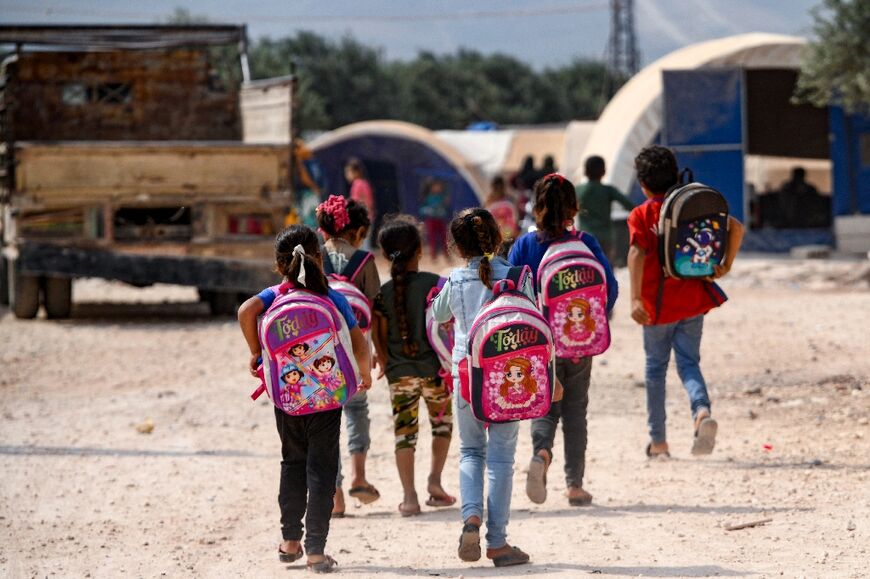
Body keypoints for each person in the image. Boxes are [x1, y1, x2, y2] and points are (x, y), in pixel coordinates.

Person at [237, 224, 372, 573]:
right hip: (327, 398)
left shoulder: (274, 295)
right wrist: (364, 373)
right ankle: (315, 550)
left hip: (288, 398)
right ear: (318, 258)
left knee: (292, 463)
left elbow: (245, 311)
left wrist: (256, 352)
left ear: (280, 265)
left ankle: (289, 542)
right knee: (322, 470)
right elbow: (359, 341)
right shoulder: (330, 296)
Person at [430, 208, 539, 568]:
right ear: (496, 238)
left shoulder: (455, 281)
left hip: (467, 377)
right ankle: (497, 542)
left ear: (457, 247)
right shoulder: (518, 276)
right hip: (510, 377)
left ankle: (471, 518)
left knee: (471, 452)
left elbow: (439, 316)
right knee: (502, 459)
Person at [627, 146, 744, 458]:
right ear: (676, 175)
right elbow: (736, 227)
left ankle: (659, 442)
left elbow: (637, 253)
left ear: (642, 183)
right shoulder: (694, 204)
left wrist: (635, 298)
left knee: (655, 371)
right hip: (693, 301)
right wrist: (726, 264)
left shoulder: (642, 214)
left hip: (656, 307)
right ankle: (702, 412)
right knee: (689, 363)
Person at [508, 173, 618, 507]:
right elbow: (609, 287)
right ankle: (574, 485)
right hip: (578, 340)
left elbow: (510, 293)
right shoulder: (585, 241)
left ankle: (541, 453)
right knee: (575, 410)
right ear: (573, 206)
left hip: (538, 342)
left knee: (545, 406)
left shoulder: (525, 245)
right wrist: (592, 322)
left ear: (536, 206)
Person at [372, 215, 455, 517]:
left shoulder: (382, 293)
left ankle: (409, 497)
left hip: (399, 374)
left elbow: (377, 337)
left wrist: (385, 363)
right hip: (436, 372)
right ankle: (435, 481)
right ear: (420, 250)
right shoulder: (434, 284)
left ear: (385, 254)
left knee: (404, 433)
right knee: (442, 426)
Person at [317, 195, 381, 516]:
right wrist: (376, 353)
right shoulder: (365, 262)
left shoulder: (314, 261)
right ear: (356, 232)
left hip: (321, 354)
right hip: (357, 354)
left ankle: (335, 495)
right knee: (357, 410)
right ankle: (359, 475)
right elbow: (376, 312)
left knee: (328, 419)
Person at [575, 155, 635, 260]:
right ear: (604, 171)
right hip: (606, 237)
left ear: (585, 172)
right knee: (606, 268)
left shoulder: (577, 190)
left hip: (585, 237)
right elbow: (630, 206)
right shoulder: (608, 190)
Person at [345, 158, 376, 247]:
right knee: (365, 243)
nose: (347, 175)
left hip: (362, 219)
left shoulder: (357, 184)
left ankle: (366, 260)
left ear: (356, 172)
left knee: (363, 244)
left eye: (348, 172)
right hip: (368, 217)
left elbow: (356, 203)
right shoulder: (364, 183)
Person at [419, 178, 451, 261]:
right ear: (431, 188)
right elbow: (422, 209)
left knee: (444, 238)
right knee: (432, 238)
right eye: (435, 187)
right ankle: (433, 256)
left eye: (439, 187)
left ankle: (447, 255)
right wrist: (429, 210)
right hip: (431, 220)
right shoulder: (427, 198)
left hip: (440, 220)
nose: (437, 188)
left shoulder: (442, 198)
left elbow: (446, 209)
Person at [485, 176, 519, 241]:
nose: (498, 189)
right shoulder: (510, 201)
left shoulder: (489, 203)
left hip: (497, 237)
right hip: (506, 235)